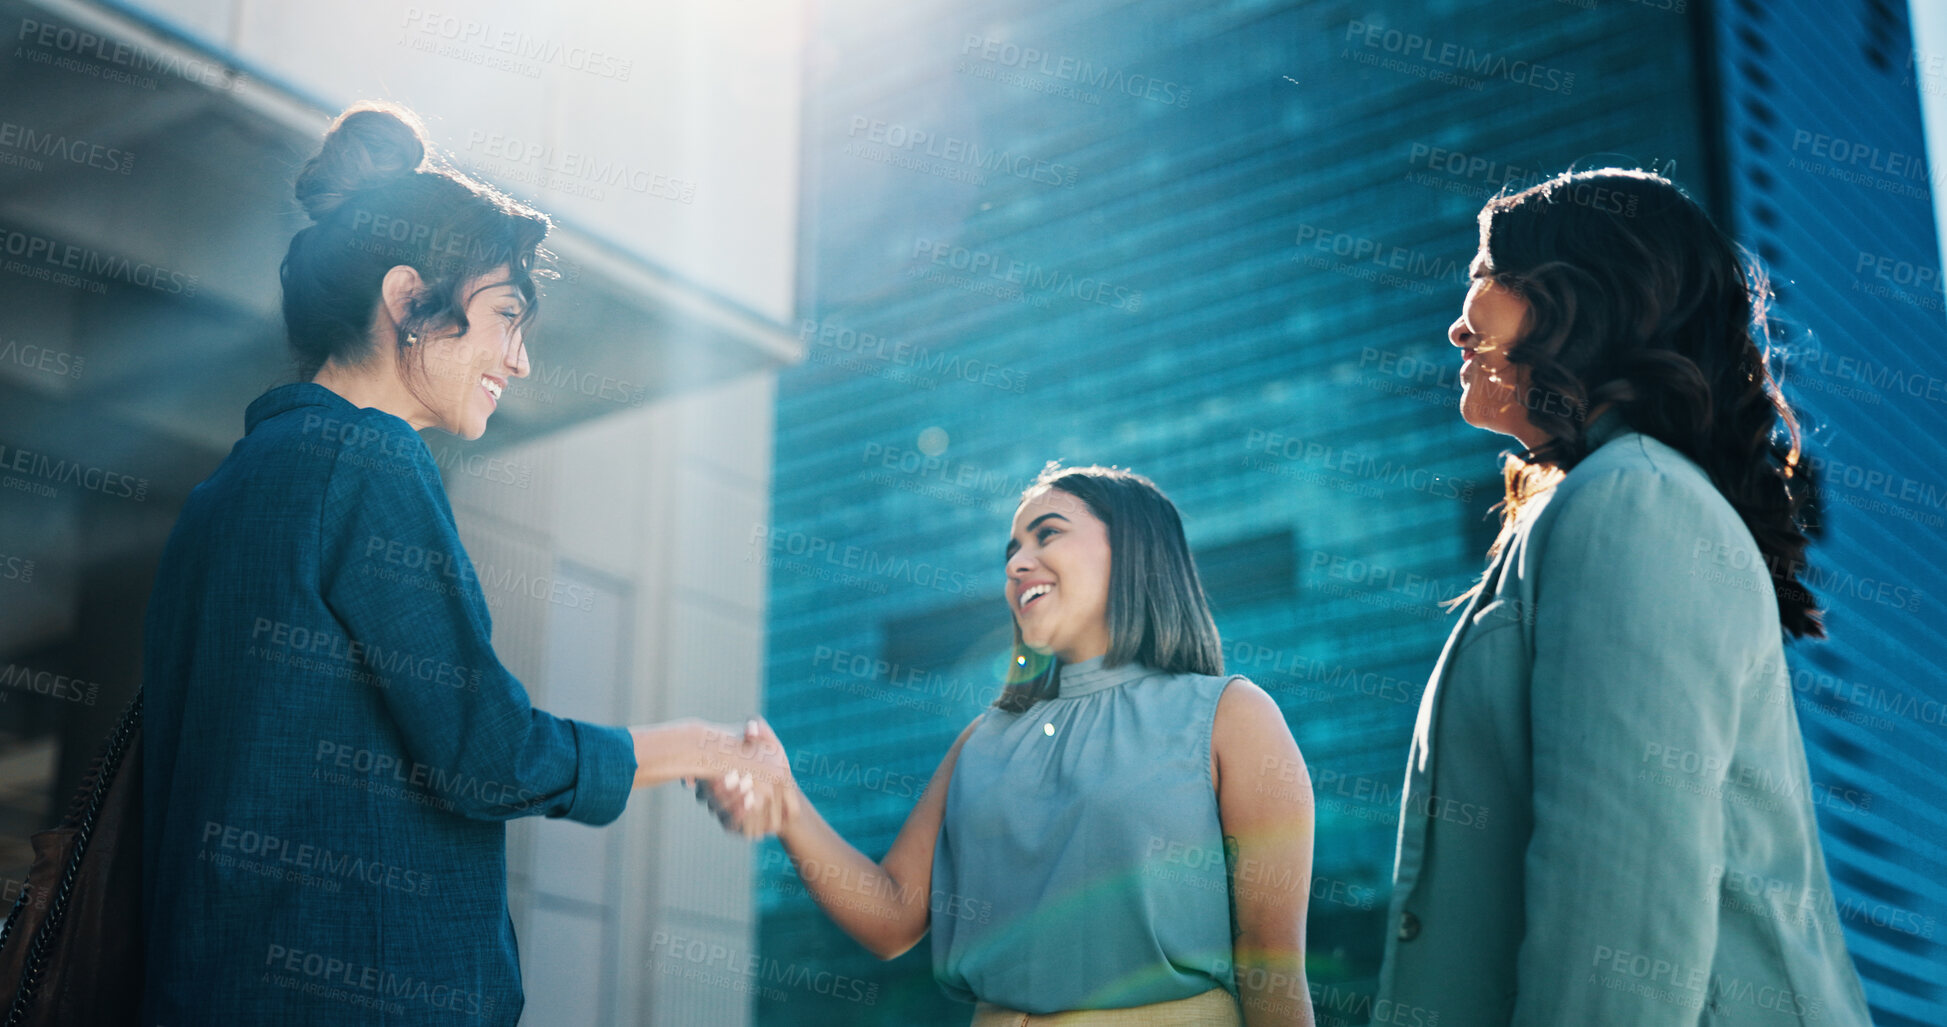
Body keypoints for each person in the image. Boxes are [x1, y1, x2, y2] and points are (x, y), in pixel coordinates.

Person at [139, 101, 792, 1024]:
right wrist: (691, 746)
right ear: (408, 298)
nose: (518, 361)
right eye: (506, 317)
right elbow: (488, 753)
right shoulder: (368, 460)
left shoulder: (228, 489)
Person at [1374, 168, 1872, 1024]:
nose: (1457, 324)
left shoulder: (1634, 500)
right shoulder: (1614, 498)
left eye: (1486, 273)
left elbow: (1622, 924)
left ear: (1585, 297)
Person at [718, 464, 1318, 1025]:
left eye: (1046, 535)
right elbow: (892, 915)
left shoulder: (1231, 716)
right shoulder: (981, 740)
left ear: (1133, 547)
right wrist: (786, 805)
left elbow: (1272, 965)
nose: (1016, 566)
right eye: (1011, 553)